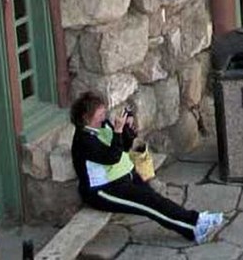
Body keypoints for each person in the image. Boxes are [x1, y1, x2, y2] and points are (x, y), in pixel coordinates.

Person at [70, 92, 224, 243]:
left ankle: (196, 219)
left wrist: (127, 129)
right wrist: (117, 131)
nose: (104, 115)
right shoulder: (83, 141)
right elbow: (111, 157)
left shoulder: (104, 125)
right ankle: (193, 230)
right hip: (104, 190)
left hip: (126, 177)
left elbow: (123, 146)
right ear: (86, 118)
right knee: (148, 205)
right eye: (100, 113)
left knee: (156, 200)